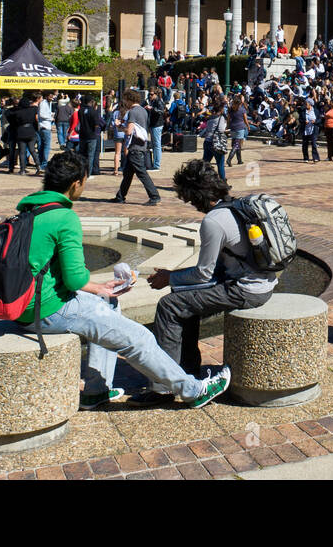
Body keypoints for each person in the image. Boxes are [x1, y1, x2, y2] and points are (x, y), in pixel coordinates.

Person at [19, 150, 229, 410]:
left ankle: (96, 390)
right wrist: (93, 286)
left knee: (108, 304)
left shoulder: (28, 209)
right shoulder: (64, 217)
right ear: (76, 183)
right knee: (139, 337)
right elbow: (74, 279)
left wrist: (100, 289)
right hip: (45, 310)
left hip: (23, 305)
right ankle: (193, 390)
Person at [131, 159, 274, 405]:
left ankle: (163, 388)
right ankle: (186, 370)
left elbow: (203, 274)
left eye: (187, 198)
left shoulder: (213, 221)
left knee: (169, 305)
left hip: (245, 289)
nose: (189, 204)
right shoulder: (236, 206)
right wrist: (176, 280)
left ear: (195, 195)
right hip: (263, 282)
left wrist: (168, 277)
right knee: (182, 297)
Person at [111, 91, 160, 205]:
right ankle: (120, 196)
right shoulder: (143, 110)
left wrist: (119, 126)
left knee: (142, 173)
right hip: (141, 145)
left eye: (125, 100)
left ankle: (154, 196)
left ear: (129, 99)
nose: (124, 103)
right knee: (128, 174)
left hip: (135, 147)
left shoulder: (132, 112)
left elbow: (129, 131)